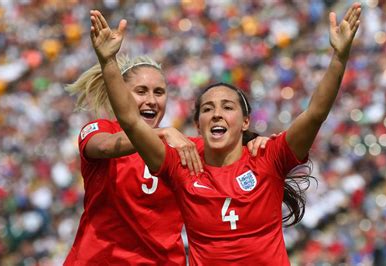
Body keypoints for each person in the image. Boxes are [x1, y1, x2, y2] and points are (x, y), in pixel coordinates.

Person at [90, 2, 361, 264]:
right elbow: (131, 122)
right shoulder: (182, 162)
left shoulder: (269, 157)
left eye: (227, 107)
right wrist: (108, 62)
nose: (217, 113)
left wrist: (339, 58)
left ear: (245, 122)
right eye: (207, 109)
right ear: (198, 125)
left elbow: (315, 114)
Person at [63, 49, 273, 265]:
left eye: (159, 92)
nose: (152, 100)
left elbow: (232, 147)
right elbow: (106, 147)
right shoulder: (100, 129)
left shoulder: (184, 146)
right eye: (141, 91)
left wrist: (257, 143)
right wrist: (160, 133)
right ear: (121, 96)